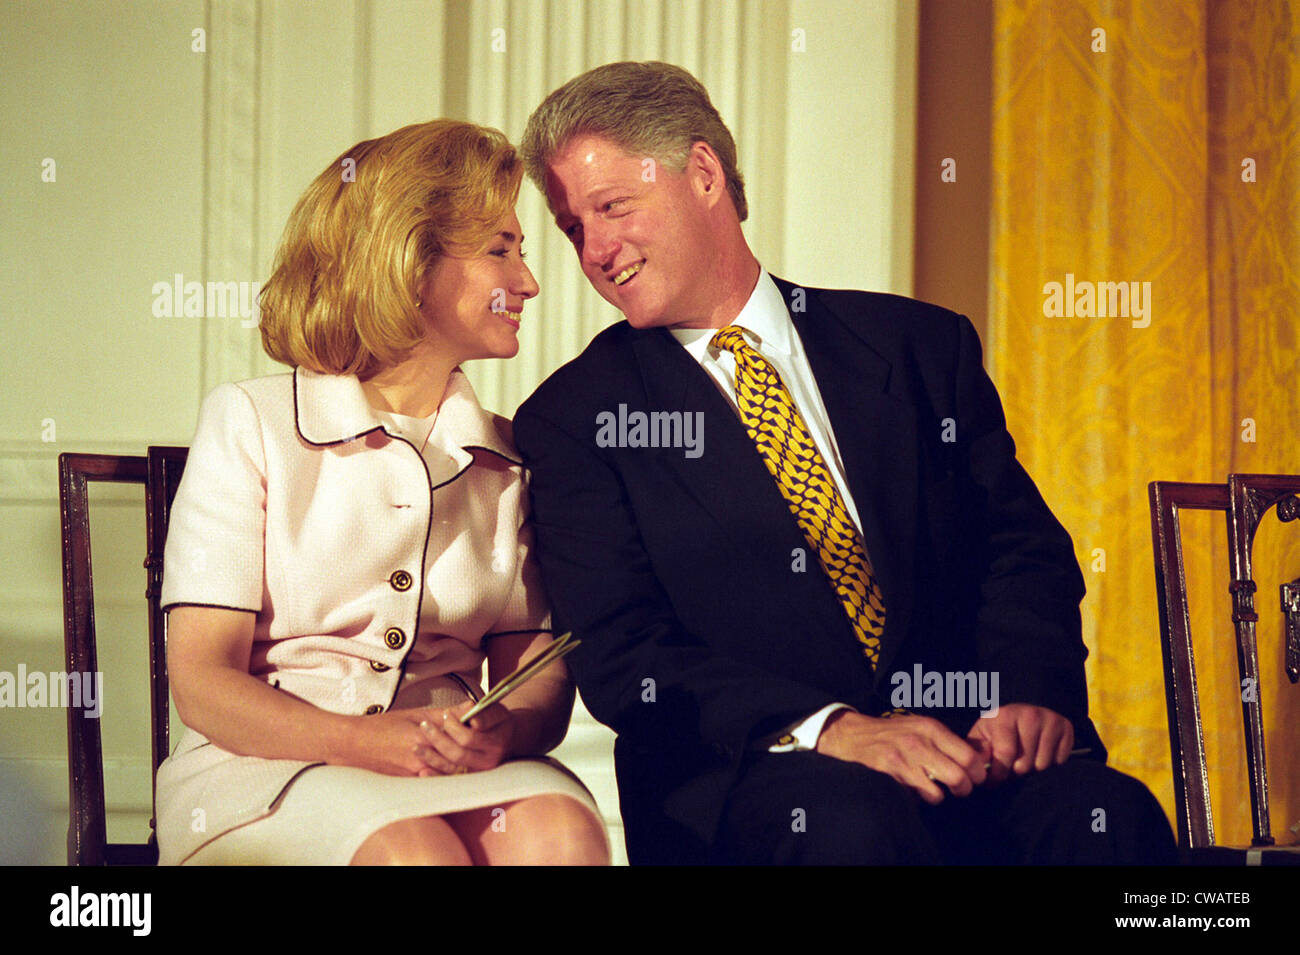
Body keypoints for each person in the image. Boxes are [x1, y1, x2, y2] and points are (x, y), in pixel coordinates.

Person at [513, 61, 1178, 864]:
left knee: (1107, 815)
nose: (595, 249)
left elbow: (1019, 552)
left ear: (702, 174)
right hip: (755, 781)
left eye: (612, 206)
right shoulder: (574, 417)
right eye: (573, 226)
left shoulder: (921, 347)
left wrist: (1027, 696)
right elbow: (624, 653)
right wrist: (834, 730)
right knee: (854, 826)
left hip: (969, 757)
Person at [155, 119, 609, 866]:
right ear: (409, 260)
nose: (527, 282)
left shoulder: (508, 455)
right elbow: (203, 683)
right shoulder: (251, 422)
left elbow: (538, 672)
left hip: (449, 771)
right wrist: (358, 741)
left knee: (561, 832)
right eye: (501, 251)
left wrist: (506, 731)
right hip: (263, 774)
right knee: (412, 853)